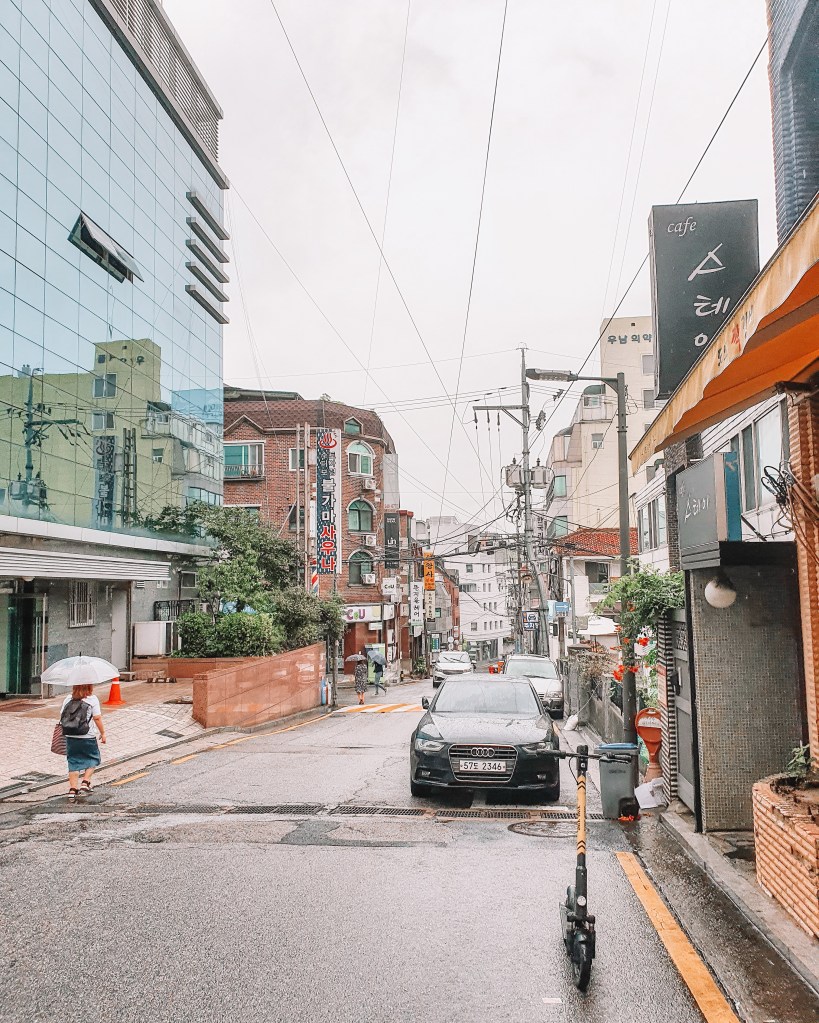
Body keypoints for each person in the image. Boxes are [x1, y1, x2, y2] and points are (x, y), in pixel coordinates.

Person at [60, 683, 106, 801]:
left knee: (73, 761)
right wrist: (103, 733)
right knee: (93, 757)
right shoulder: (92, 699)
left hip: (71, 735)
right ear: (90, 687)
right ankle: (85, 781)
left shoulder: (68, 699)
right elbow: (97, 718)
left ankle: (72, 790)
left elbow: (62, 716)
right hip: (87, 735)